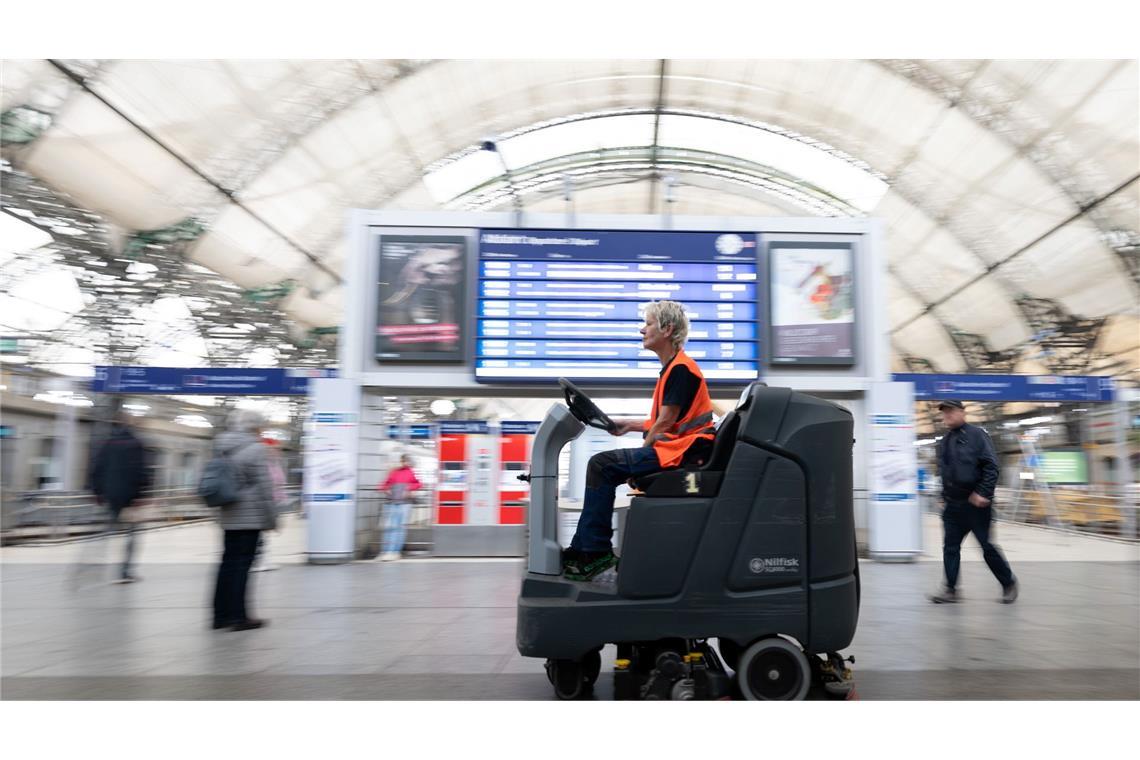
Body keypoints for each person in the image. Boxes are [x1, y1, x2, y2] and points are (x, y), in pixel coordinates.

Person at [562, 300, 715, 581]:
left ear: (667, 329)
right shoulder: (674, 368)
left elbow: (666, 423)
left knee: (603, 465)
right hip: (677, 448)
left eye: (647, 323)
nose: (641, 329)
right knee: (603, 465)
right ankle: (581, 549)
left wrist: (638, 461)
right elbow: (667, 421)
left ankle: (593, 552)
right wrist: (628, 425)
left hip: (683, 452)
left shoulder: (681, 369)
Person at [930, 399, 1018, 604]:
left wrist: (983, 493)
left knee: (986, 547)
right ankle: (951, 590)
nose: (947, 416)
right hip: (953, 505)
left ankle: (1009, 583)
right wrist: (942, 496)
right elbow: (943, 472)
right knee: (950, 547)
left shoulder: (978, 436)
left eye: (951, 411)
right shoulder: (944, 441)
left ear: (962, 412)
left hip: (976, 505)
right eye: (945, 413)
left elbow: (991, 467)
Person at [211, 409, 277, 631]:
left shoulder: (221, 446)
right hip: (250, 516)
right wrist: (272, 519)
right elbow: (265, 488)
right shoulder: (257, 449)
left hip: (228, 512)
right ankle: (239, 617)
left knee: (227, 564)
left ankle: (220, 616)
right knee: (242, 567)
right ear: (255, 427)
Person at [87, 407, 152, 583]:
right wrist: (141, 494)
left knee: (106, 532)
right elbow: (142, 471)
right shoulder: (136, 443)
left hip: (110, 495)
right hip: (130, 498)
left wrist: (97, 492)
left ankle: (92, 567)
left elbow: (96, 468)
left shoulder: (107, 443)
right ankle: (125, 571)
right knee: (131, 535)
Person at [377, 454, 422, 561]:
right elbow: (383, 485)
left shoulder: (410, 472)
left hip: (404, 503)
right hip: (392, 502)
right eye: (403, 461)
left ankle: (394, 552)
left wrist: (409, 488)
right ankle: (385, 551)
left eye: (406, 461)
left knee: (399, 528)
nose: (404, 463)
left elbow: (419, 484)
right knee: (390, 528)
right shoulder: (393, 472)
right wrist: (386, 489)